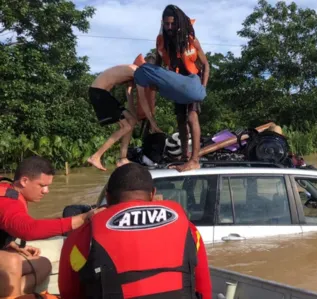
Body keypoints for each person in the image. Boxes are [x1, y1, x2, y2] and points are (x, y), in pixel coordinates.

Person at [58, 163, 212, 299]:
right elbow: (204, 289)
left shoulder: (81, 238)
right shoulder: (190, 231)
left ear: (108, 198)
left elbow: (68, 292)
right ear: (152, 194)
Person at [0, 156, 102, 298]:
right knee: (12, 262)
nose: (46, 191)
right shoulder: (7, 201)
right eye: (42, 185)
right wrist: (81, 219)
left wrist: (11, 244)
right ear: (24, 181)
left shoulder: (13, 193)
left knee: (43, 265)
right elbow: (29, 229)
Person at [134, 5, 210, 172]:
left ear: (179, 23)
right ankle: (184, 156)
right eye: (166, 24)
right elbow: (159, 67)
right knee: (181, 121)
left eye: (172, 24)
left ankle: (194, 160)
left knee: (191, 117)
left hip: (191, 83)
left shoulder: (191, 40)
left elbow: (205, 64)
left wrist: (203, 87)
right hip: (176, 84)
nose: (169, 28)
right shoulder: (161, 41)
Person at [86, 63, 140, 171]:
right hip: (99, 93)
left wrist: (134, 116)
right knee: (126, 127)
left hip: (103, 93)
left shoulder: (131, 72)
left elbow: (129, 99)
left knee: (132, 121)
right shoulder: (136, 71)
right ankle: (95, 156)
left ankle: (123, 159)